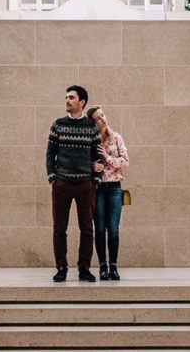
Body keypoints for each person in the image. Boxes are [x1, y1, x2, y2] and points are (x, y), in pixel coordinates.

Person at [45, 85, 101, 282]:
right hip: (62, 185)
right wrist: (53, 178)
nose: (67, 101)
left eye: (71, 97)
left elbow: (98, 155)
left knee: (87, 228)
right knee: (60, 228)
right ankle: (61, 268)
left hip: (85, 185)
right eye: (66, 97)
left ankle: (84, 269)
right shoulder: (58, 125)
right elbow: (50, 154)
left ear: (82, 102)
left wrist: (95, 180)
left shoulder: (91, 127)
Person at [87, 106, 128, 281]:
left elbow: (125, 162)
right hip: (97, 189)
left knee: (113, 229)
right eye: (98, 118)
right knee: (100, 229)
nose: (102, 119)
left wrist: (108, 157)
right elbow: (84, 163)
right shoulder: (90, 141)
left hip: (114, 189)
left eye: (102, 115)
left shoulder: (116, 137)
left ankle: (114, 266)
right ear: (93, 123)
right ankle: (102, 267)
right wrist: (91, 167)